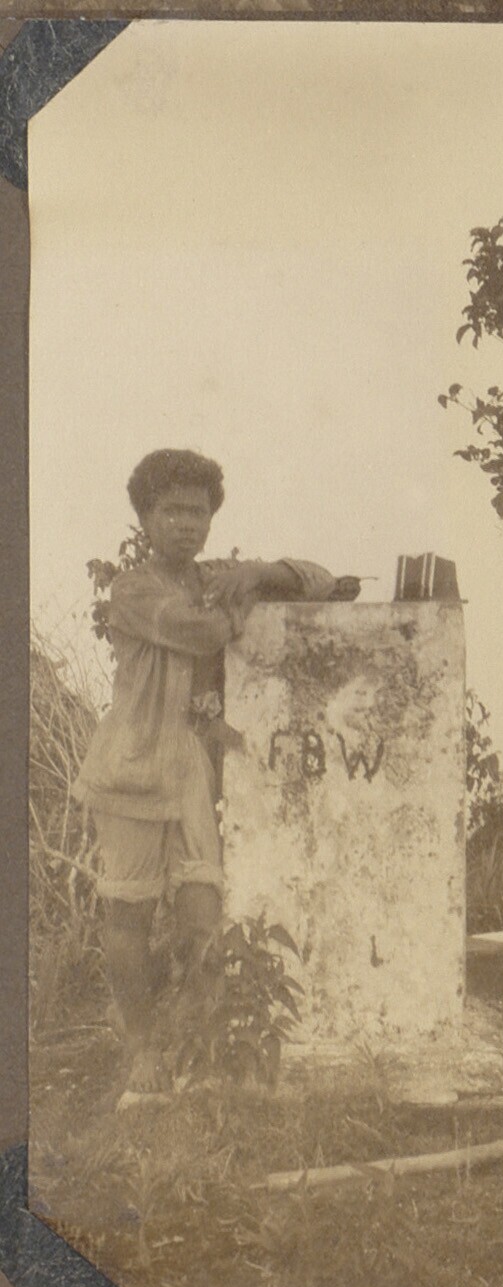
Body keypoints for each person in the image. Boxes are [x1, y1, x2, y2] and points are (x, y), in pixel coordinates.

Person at [73, 449, 358, 1096]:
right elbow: (201, 634)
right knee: (129, 913)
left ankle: (202, 1048)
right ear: (145, 519)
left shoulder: (214, 577)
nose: (186, 524)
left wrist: (257, 571)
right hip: (132, 764)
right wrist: (244, 601)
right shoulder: (133, 589)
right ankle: (143, 1048)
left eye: (198, 513)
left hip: (191, 769)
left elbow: (324, 581)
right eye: (171, 511)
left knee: (202, 913)